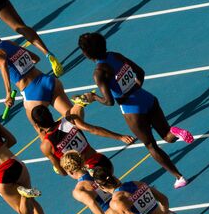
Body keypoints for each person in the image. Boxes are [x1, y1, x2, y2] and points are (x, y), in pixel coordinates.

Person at [77, 32, 194, 188]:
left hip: (132, 109)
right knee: (166, 135)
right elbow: (140, 72)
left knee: (151, 145)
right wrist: (135, 87)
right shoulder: (115, 55)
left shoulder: (99, 72)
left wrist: (93, 97)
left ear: (86, 53)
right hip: (146, 98)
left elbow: (109, 101)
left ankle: (179, 177)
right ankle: (176, 131)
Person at [0, 26, 76, 131]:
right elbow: (35, 58)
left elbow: (3, 63)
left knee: (45, 134)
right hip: (48, 81)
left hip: (33, 93)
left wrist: (8, 94)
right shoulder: (9, 43)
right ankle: (80, 105)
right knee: (73, 118)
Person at [30, 104, 134, 175]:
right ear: (50, 114)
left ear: (37, 125)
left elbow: (63, 173)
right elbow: (93, 130)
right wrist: (120, 137)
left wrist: (61, 165)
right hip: (102, 161)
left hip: (87, 175)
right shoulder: (70, 120)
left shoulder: (46, 146)